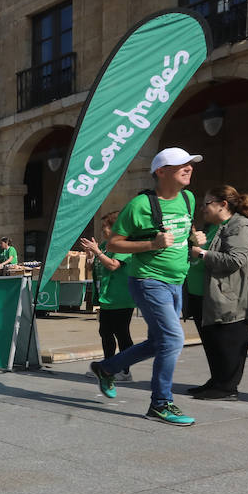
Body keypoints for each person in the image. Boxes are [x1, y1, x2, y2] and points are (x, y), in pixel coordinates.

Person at [89, 147, 199, 426]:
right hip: (148, 281)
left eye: (190, 164)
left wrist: (194, 241)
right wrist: (152, 244)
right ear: (160, 172)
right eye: (180, 165)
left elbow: (184, 232)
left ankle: (106, 368)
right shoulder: (139, 206)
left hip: (176, 281)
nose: (188, 168)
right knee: (173, 339)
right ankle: (160, 404)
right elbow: (114, 243)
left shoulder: (189, 199)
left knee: (158, 341)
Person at [187, 185, 248, 400]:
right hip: (204, 296)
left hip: (230, 298)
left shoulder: (241, 226)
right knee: (213, 344)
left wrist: (201, 253)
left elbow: (235, 260)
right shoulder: (212, 227)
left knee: (228, 345)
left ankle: (227, 387)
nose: (203, 209)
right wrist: (194, 247)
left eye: (207, 204)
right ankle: (216, 381)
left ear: (223, 204)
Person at [79, 211, 133, 380]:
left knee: (122, 333)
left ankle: (125, 371)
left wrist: (97, 252)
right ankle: (108, 366)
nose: (103, 231)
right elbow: (92, 268)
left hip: (121, 297)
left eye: (105, 227)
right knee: (105, 332)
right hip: (106, 297)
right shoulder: (103, 246)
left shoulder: (124, 245)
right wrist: (91, 255)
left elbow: (113, 266)